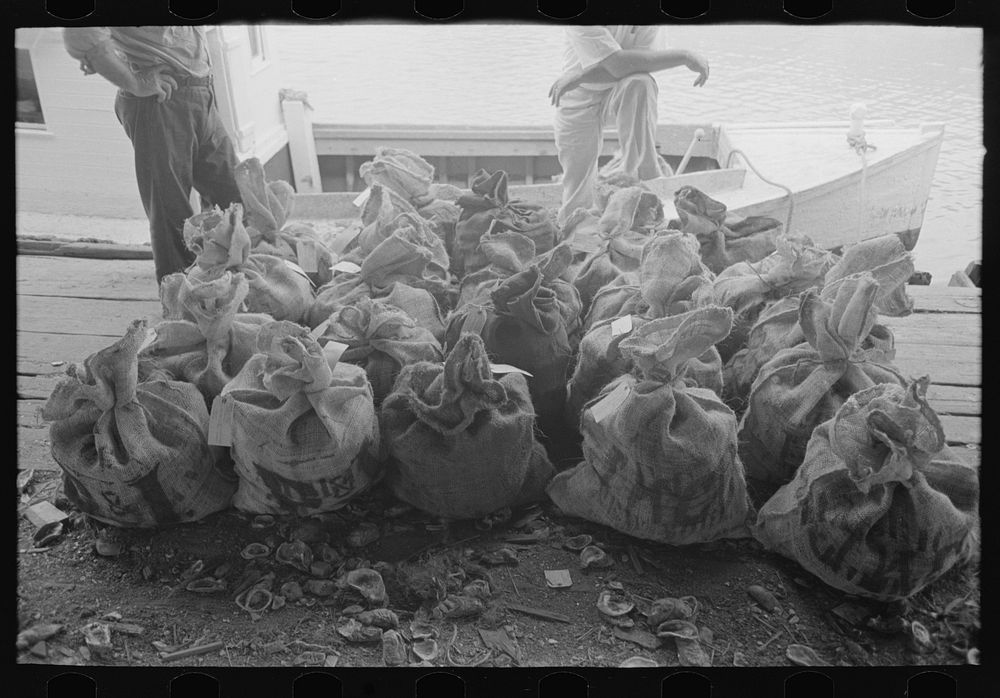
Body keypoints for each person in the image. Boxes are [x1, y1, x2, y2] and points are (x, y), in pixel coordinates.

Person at [63, 27, 243, 283]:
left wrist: (109, 53)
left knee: (233, 197)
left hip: (201, 91)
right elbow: (79, 32)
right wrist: (132, 80)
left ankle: (225, 288)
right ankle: (182, 308)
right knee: (172, 213)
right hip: (161, 101)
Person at [549, 26, 710, 226]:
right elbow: (617, 64)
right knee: (577, 194)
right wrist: (685, 56)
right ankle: (581, 234)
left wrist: (582, 74)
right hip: (577, 92)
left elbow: (637, 65)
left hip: (615, 83)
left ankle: (646, 187)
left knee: (641, 83)